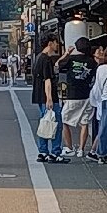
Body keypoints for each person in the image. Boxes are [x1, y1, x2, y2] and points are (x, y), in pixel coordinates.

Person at [31, 34, 69, 164]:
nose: (57, 45)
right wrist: (50, 98)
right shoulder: (46, 59)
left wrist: (65, 55)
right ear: (50, 43)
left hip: (39, 96)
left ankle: (43, 151)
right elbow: (47, 80)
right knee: (55, 123)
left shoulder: (38, 58)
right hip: (48, 96)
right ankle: (55, 152)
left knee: (45, 122)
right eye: (55, 42)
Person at [58, 37, 96, 158]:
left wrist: (66, 53)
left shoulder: (71, 59)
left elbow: (57, 65)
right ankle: (81, 149)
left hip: (72, 95)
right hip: (86, 95)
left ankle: (69, 148)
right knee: (84, 122)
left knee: (64, 121)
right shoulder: (92, 62)